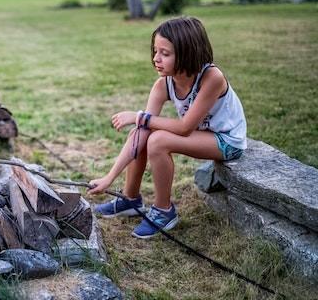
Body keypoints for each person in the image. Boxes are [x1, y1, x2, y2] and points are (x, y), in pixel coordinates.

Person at [87, 16, 247, 239]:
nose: (156, 59)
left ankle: (164, 211)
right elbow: (142, 129)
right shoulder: (164, 84)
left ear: (188, 52)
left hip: (226, 140)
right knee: (141, 134)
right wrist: (109, 177)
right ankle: (130, 199)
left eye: (165, 53)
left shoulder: (212, 77)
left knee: (157, 140)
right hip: (201, 135)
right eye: (155, 51)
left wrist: (139, 116)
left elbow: (184, 128)